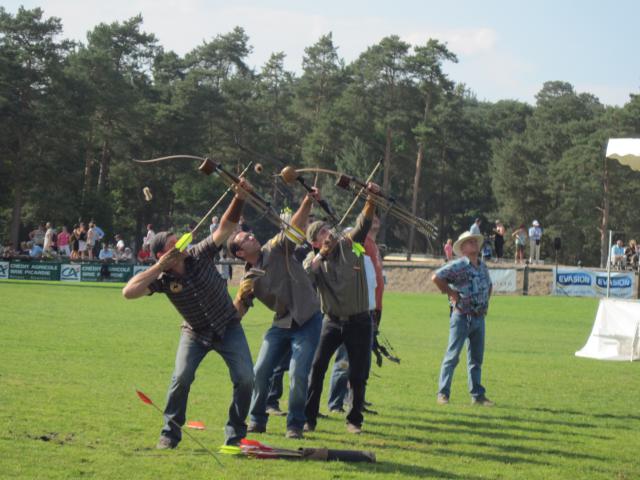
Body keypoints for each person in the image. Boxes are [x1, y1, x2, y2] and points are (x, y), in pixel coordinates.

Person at [122, 179, 254, 449]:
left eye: (179, 240)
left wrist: (239, 197)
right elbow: (129, 292)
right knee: (181, 378)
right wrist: (158, 267)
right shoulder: (161, 278)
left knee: (245, 379)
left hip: (228, 326)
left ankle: (235, 435)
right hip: (194, 332)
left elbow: (225, 228)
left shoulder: (199, 253)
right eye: (174, 243)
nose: (181, 243)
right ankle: (170, 434)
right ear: (163, 253)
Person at [226, 188, 323, 439]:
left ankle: (294, 424)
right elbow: (237, 315)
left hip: (309, 319)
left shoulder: (276, 247)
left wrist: (306, 202)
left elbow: (295, 228)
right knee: (260, 371)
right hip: (281, 324)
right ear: (239, 253)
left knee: (299, 374)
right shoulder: (248, 279)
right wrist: (236, 302)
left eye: (249, 234)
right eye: (245, 238)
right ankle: (257, 419)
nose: (250, 236)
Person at [303, 183, 379, 435]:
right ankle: (309, 418)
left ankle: (354, 420)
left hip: (360, 320)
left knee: (358, 374)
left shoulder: (350, 244)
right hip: (332, 321)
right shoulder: (313, 260)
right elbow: (306, 276)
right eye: (321, 233)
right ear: (314, 243)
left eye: (327, 229)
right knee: (317, 368)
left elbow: (362, 224)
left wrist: (370, 198)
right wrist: (321, 256)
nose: (327, 234)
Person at [432, 231, 493, 407]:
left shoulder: (482, 266)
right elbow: (436, 277)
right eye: (469, 242)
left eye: (475, 241)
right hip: (461, 317)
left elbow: (489, 286)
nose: (474, 243)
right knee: (452, 356)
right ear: (463, 248)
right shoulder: (458, 265)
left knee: (476, 360)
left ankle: (478, 396)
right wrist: (451, 292)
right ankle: (443, 394)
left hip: (479, 318)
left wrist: (485, 304)